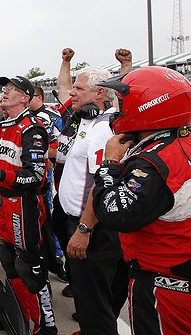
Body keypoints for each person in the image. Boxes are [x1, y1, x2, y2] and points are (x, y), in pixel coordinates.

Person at [91, 66, 191, 335]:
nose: (117, 110)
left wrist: (110, 163)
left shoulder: (153, 163)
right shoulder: (182, 143)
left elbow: (113, 212)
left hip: (164, 286)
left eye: (122, 103)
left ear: (146, 106)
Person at [56, 58, 129, 334]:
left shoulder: (102, 129)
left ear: (100, 93)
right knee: (96, 303)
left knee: (94, 306)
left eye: (79, 88)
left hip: (92, 228)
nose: (72, 93)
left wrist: (84, 229)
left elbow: (102, 183)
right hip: (84, 223)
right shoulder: (89, 120)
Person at [0, 76, 56, 334]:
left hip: (23, 205)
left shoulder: (32, 129)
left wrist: (2, 176)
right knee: (7, 259)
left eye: (11, 89)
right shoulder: (0, 126)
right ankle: (21, 314)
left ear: (25, 97)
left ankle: (47, 325)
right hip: (3, 202)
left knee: (30, 266)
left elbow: (36, 175)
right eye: (4, 88)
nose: (4, 92)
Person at [29, 84, 67, 283]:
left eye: (31, 96)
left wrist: (39, 154)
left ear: (40, 97)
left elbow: (59, 147)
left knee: (47, 216)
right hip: (25, 176)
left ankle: (57, 258)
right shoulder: (21, 117)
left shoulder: (52, 117)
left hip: (44, 174)